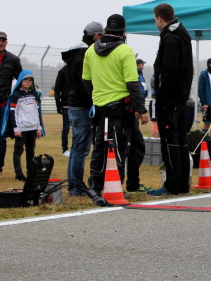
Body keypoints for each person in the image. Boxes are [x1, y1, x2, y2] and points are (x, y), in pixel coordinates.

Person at [82, 14, 148, 195]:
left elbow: (86, 80)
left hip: (100, 107)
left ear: (105, 31)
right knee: (119, 147)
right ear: (123, 31)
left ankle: (95, 185)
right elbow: (132, 83)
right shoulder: (124, 50)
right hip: (121, 107)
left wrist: (97, 96)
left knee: (100, 146)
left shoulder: (91, 50)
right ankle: (115, 186)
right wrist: (141, 109)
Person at [149, 3, 194, 196]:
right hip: (181, 97)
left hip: (170, 99)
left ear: (159, 17)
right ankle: (182, 183)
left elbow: (169, 70)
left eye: (155, 19)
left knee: (169, 141)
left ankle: (172, 184)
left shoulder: (170, 38)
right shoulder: (182, 34)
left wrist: (161, 93)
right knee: (181, 140)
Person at [61, 21, 104, 195]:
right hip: (81, 105)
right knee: (81, 148)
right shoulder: (84, 55)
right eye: (101, 36)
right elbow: (84, 83)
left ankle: (74, 184)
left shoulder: (75, 54)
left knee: (77, 147)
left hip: (75, 104)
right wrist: (94, 99)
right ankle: (75, 186)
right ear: (96, 36)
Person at [0, 31, 23, 178]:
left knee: (1, 139)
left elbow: (21, 80)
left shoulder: (13, 60)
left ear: (6, 43)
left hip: (2, 105)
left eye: (3, 40)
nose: (0, 43)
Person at [2, 71, 44, 181]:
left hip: (33, 128)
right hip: (22, 128)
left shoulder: (33, 94)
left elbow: (36, 112)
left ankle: (30, 173)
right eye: (26, 80)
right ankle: (19, 174)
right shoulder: (16, 95)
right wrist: (16, 128)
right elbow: (13, 113)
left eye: (30, 80)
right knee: (18, 151)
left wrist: (38, 127)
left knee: (31, 152)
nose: (28, 82)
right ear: (20, 81)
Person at [125, 58, 150, 193]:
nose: (142, 65)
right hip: (127, 111)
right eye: (141, 63)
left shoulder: (140, 74)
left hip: (134, 110)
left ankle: (133, 184)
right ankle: (117, 184)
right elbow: (133, 89)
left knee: (137, 146)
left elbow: (141, 91)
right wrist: (138, 108)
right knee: (126, 148)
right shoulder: (132, 72)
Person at [53, 64, 71, 157]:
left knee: (79, 128)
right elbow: (57, 89)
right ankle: (65, 149)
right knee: (66, 128)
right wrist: (58, 104)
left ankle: (77, 148)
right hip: (66, 104)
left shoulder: (80, 68)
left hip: (78, 104)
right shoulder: (63, 71)